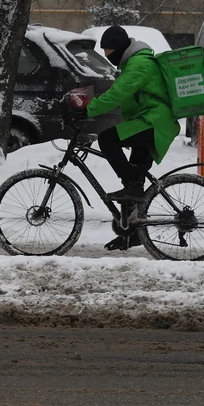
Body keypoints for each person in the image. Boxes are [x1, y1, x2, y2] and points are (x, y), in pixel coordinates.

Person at [66, 25, 181, 250]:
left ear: (119, 48)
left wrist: (88, 110)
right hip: (148, 121)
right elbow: (119, 93)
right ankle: (132, 233)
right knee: (133, 181)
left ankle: (132, 192)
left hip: (154, 123)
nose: (109, 57)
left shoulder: (140, 64)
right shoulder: (133, 63)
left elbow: (118, 93)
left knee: (108, 139)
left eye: (109, 52)